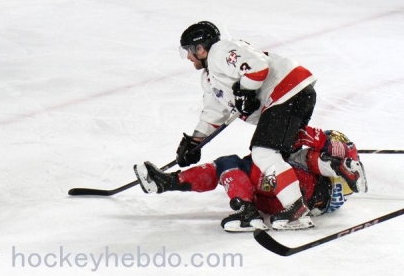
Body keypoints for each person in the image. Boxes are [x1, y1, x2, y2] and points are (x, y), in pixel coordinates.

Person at [168, 21, 363, 230]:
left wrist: (246, 90)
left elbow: (258, 66)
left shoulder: (220, 51)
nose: (188, 57)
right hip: (291, 96)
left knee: (264, 154)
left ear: (200, 48)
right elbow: (214, 113)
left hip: (286, 92)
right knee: (284, 155)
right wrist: (194, 142)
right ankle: (336, 166)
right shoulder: (209, 77)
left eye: (188, 50)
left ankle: (296, 211)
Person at [135, 127, 367, 232]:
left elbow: (303, 138)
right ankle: (167, 182)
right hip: (299, 198)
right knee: (237, 167)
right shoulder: (333, 153)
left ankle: (246, 212)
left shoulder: (328, 145)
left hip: (303, 190)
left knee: (230, 164)